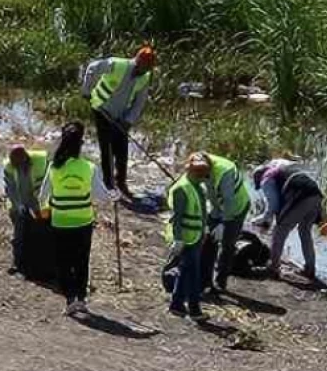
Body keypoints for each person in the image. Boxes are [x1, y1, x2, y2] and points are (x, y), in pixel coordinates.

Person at [38, 122, 113, 316]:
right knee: (81, 261)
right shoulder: (89, 167)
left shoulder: (54, 167)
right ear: (81, 144)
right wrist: (116, 195)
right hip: (83, 222)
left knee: (63, 261)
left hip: (60, 221)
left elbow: (42, 196)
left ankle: (70, 299)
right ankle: (80, 298)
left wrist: (46, 210)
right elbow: (102, 196)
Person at [80, 46, 156, 194]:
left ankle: (121, 182)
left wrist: (128, 121)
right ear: (138, 60)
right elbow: (92, 68)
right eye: (145, 66)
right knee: (106, 146)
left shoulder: (145, 78)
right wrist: (86, 90)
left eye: (149, 67)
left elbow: (139, 103)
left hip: (121, 116)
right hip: (101, 108)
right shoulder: (117, 64)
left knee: (122, 148)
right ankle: (108, 183)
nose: (146, 70)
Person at [254, 159, 323, 281]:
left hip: (301, 194)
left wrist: (260, 221)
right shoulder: (282, 171)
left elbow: (273, 206)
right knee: (305, 232)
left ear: (259, 177)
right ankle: (310, 269)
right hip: (315, 193)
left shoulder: (266, 178)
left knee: (280, 231)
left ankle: (273, 268)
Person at [163, 153, 212, 321]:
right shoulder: (181, 189)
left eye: (204, 174)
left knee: (185, 271)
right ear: (190, 171)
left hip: (196, 235)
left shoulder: (198, 187)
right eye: (199, 174)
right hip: (185, 237)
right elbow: (177, 217)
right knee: (193, 273)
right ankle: (195, 310)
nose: (202, 177)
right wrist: (178, 240)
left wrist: (205, 229)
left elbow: (202, 210)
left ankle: (176, 304)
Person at [195, 151, 252, 293]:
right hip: (217, 207)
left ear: (208, 169)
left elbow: (229, 202)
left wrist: (223, 224)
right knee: (208, 241)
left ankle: (220, 284)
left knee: (227, 245)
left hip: (236, 208)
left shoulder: (225, 172)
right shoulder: (198, 164)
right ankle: (203, 282)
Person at [2, 145, 48, 275]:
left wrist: (40, 208)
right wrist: (18, 205)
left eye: (19, 163)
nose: (16, 165)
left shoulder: (41, 162)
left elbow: (45, 185)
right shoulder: (9, 167)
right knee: (19, 234)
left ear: (25, 158)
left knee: (41, 232)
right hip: (18, 203)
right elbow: (10, 189)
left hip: (38, 201)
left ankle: (39, 265)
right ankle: (17, 264)